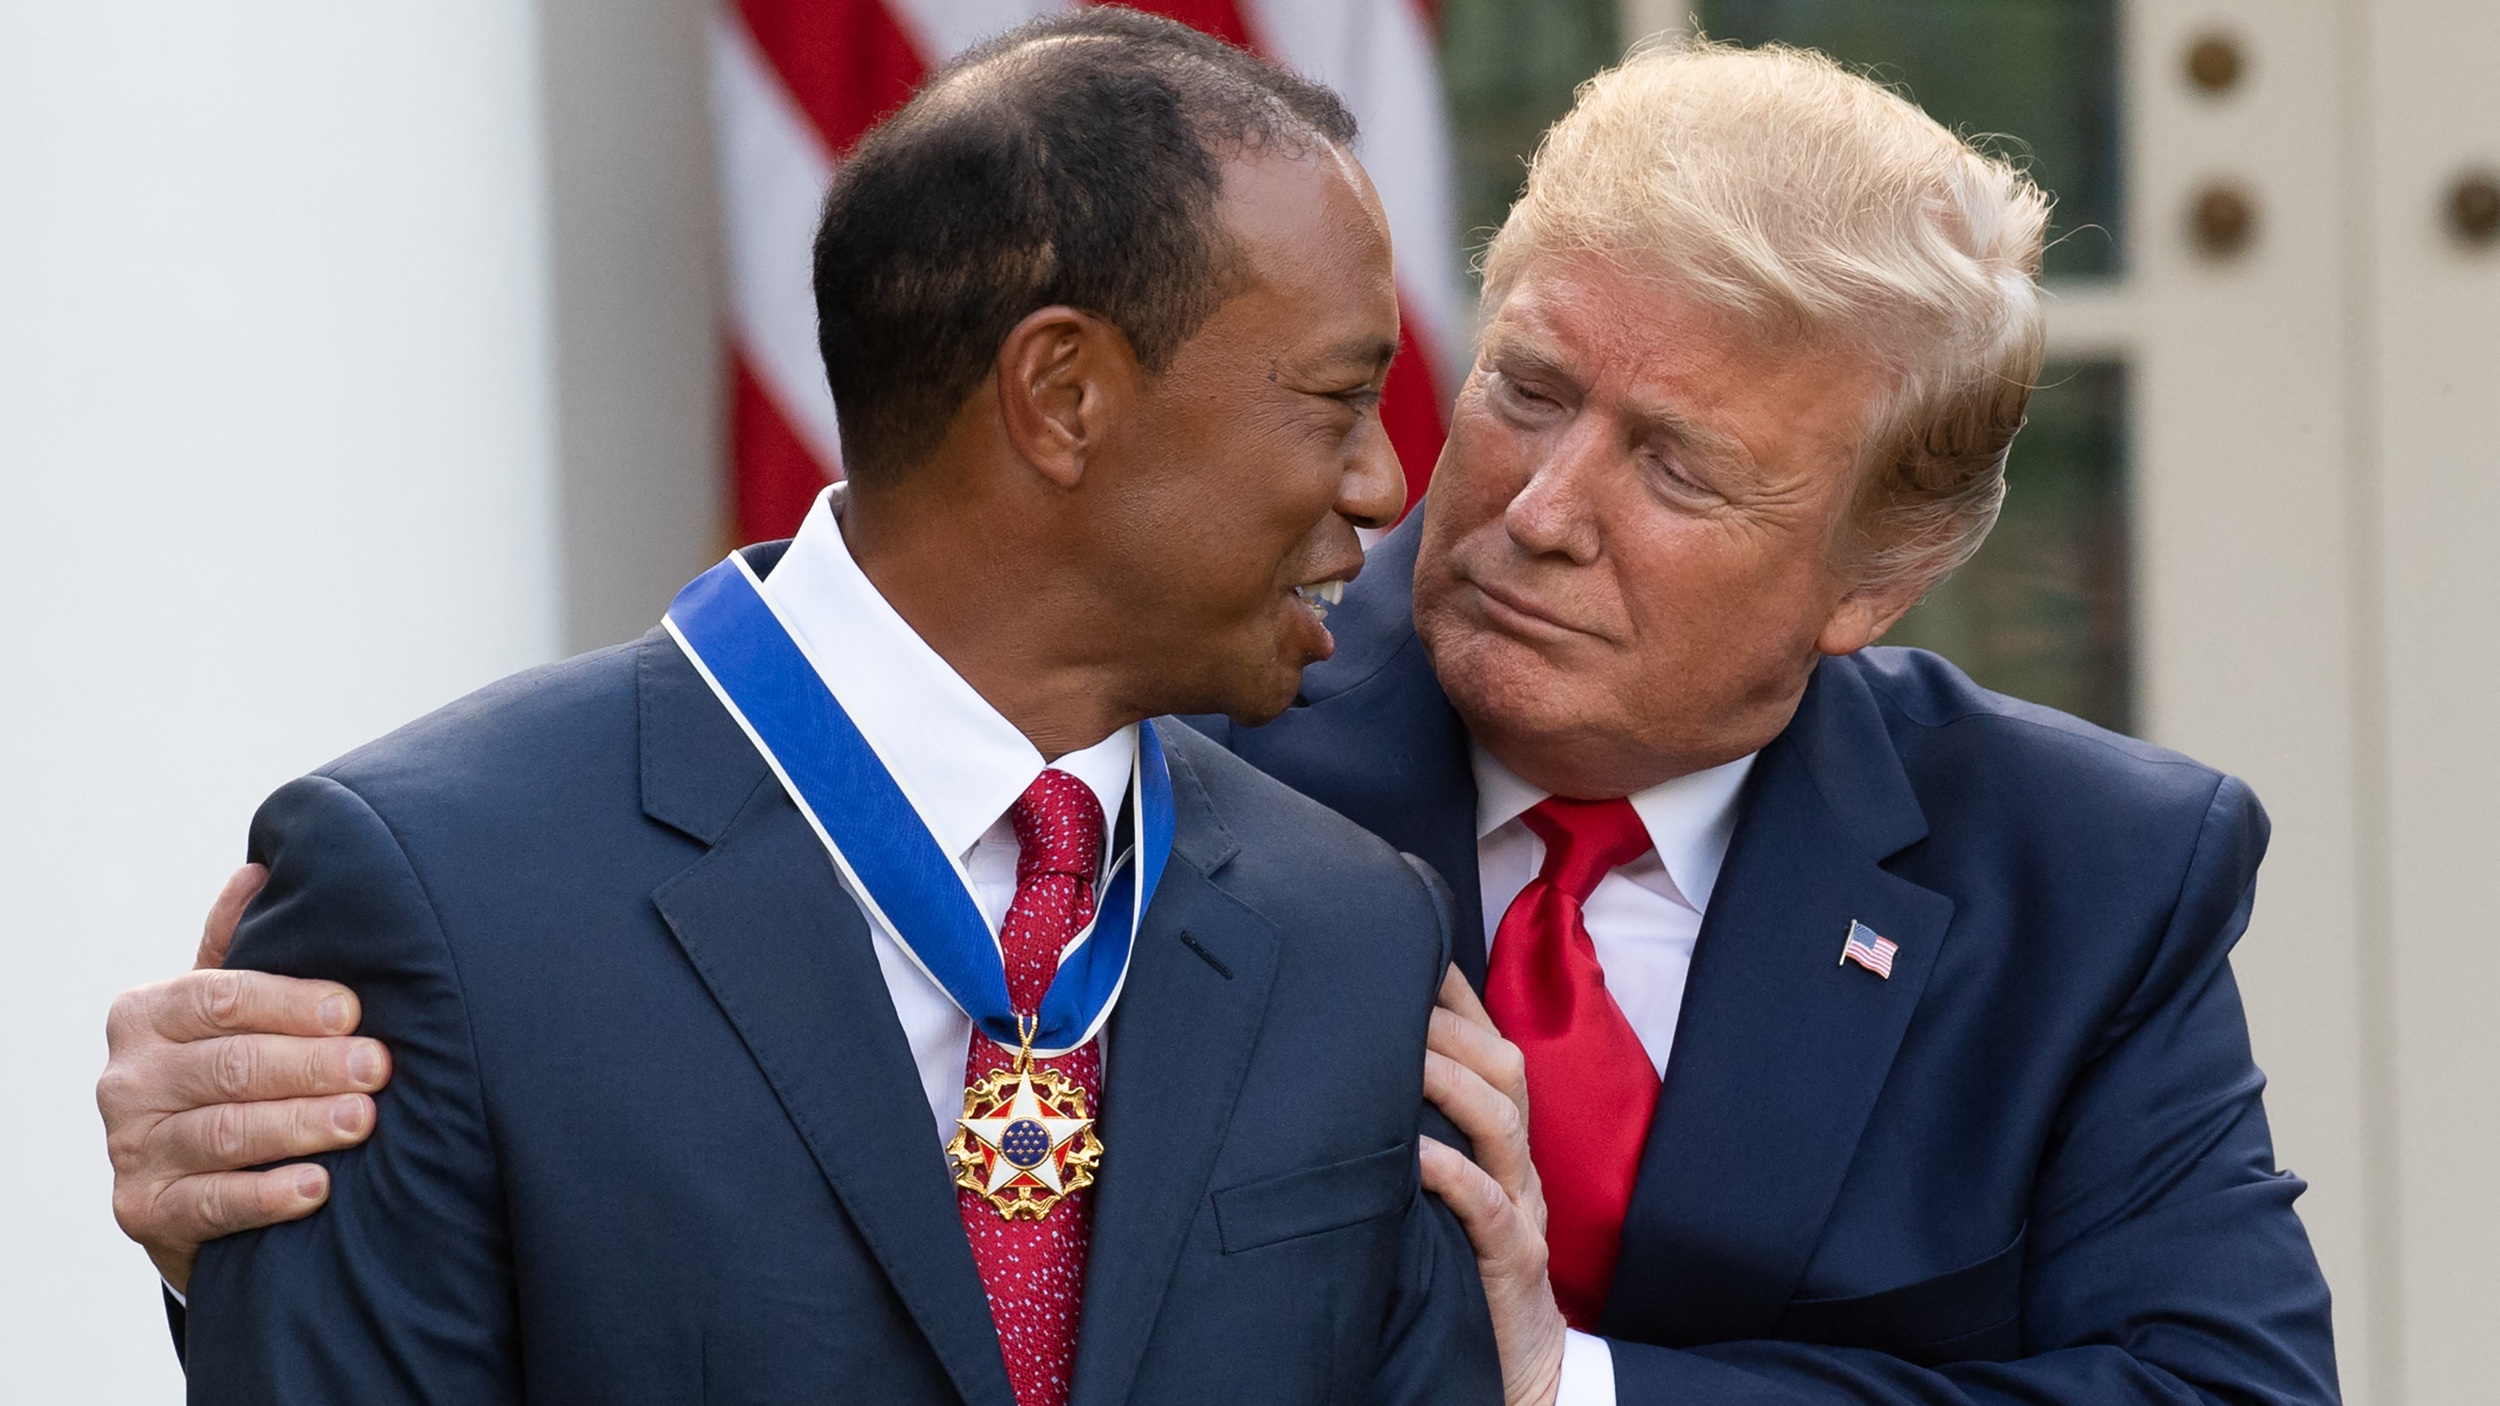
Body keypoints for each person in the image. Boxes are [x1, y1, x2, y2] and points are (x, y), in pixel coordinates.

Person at [102, 37, 2341, 1406]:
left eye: (1673, 468)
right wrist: (312, 1175)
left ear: (1874, 575)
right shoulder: (1152, 717)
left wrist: (1566, 1390)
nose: (1514, 509)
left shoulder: (2094, 876)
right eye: (1522, 392)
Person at [125, 12, 1505, 1405]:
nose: (1387, 484)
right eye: (1337, 402)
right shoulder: (441, 904)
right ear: (1064, 394)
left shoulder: (1355, 937)